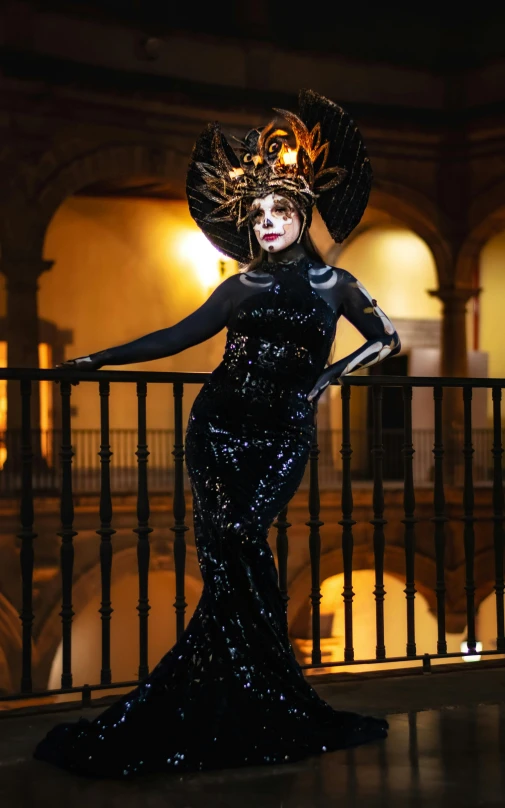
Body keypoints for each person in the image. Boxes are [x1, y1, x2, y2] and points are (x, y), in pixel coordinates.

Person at [34, 90, 399, 778]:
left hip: (282, 437)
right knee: (234, 553)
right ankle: (257, 685)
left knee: (239, 548)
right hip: (218, 430)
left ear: (302, 216)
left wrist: (329, 379)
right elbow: (179, 335)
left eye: (279, 211)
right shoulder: (240, 288)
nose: (266, 223)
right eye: (256, 214)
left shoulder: (337, 286)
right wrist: (98, 358)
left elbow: (388, 340)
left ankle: (248, 686)